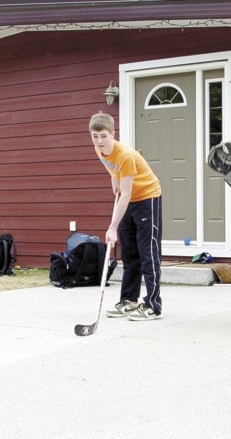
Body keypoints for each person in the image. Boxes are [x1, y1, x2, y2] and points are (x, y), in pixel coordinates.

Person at [89, 112, 163, 321]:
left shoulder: (125, 156)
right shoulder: (99, 150)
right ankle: (129, 300)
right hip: (127, 199)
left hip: (146, 198)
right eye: (95, 136)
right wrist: (114, 179)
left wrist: (112, 227)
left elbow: (128, 193)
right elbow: (114, 171)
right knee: (129, 253)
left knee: (148, 252)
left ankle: (153, 305)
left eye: (103, 136)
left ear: (112, 134)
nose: (99, 141)